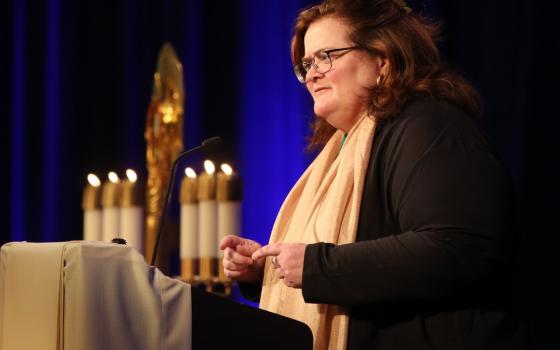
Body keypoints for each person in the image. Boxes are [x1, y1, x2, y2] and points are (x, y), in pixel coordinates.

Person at [220, 0, 526, 348]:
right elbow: (364, 249)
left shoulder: (429, 125)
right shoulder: (343, 152)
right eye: (306, 64)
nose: (312, 75)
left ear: (382, 59)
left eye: (326, 56)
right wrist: (267, 273)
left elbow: (458, 248)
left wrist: (317, 267)